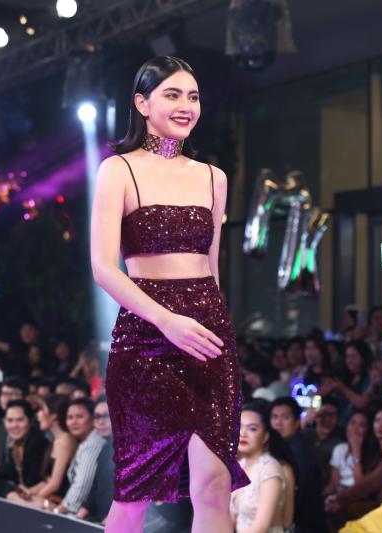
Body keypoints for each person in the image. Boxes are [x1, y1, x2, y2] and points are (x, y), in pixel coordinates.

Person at [90, 55, 249, 532]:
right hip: (146, 341)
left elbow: (211, 269)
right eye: (173, 95)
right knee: (135, 491)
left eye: (193, 96)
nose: (186, 106)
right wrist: (166, 320)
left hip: (208, 339)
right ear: (142, 104)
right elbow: (103, 268)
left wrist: (217, 333)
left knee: (214, 486)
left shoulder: (213, 178)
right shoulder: (117, 170)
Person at [327, 407, 382, 524]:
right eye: (377, 421)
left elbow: (369, 484)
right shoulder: (374, 451)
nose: (380, 425)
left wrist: (340, 498)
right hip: (372, 505)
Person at [231, 401, 295, 532]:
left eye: (252, 428)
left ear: (265, 436)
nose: (243, 433)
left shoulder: (270, 468)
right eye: (239, 427)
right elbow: (232, 517)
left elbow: (261, 527)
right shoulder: (240, 465)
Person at [269, 397, 326, 533]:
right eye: (274, 417)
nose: (278, 423)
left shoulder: (298, 452)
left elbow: (300, 497)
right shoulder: (281, 447)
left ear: (297, 423)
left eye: (285, 418)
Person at [9, 394, 76, 505]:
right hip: (49, 497)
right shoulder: (55, 440)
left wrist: (34, 498)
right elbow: (47, 480)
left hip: (60, 502)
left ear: (53, 416)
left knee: (17, 500)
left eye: (42, 410)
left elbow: (55, 484)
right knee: (13, 496)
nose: (38, 415)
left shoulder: (65, 441)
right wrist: (30, 492)